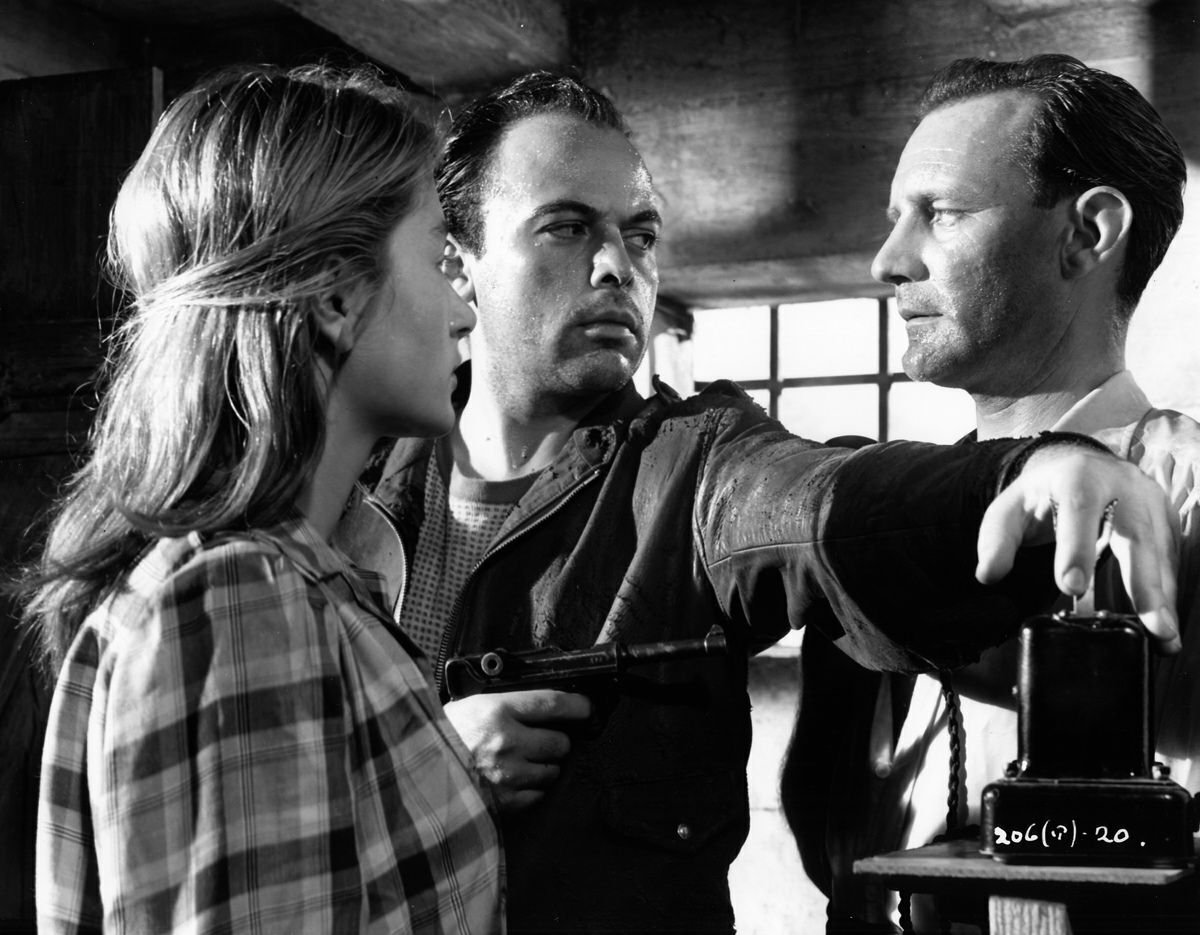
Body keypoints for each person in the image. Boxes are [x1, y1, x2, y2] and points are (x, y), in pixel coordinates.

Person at [335, 70, 1182, 934]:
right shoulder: (341, 489)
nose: (618, 266)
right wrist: (422, 773)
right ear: (459, 264)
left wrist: (1031, 469)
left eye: (641, 235)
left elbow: (829, 506)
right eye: (567, 226)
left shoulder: (698, 461)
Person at [21, 64, 501, 933]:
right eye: (440, 259)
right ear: (335, 293)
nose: (466, 312)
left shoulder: (283, 577)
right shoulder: (238, 601)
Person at [783, 53, 1200, 933]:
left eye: (940, 213)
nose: (887, 260)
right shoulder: (882, 519)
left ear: (1088, 233)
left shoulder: (1184, 502)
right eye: (895, 219)